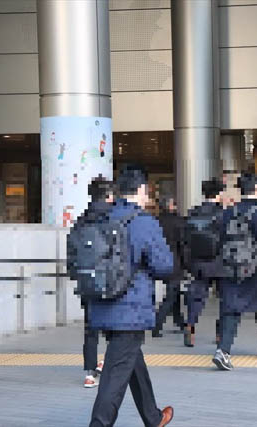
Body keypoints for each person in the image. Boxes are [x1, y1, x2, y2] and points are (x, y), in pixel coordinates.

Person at [87, 165, 174, 427]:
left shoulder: (103, 218)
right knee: (115, 376)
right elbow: (164, 266)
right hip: (131, 309)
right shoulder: (143, 222)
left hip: (102, 303)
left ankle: (153, 417)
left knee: (130, 359)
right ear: (141, 190)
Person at [212, 173, 257, 371]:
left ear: (240, 191)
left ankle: (223, 351)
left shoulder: (227, 213)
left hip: (232, 269)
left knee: (231, 310)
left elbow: (217, 242)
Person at [181, 178, 225, 347]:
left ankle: (190, 324)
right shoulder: (223, 214)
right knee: (224, 298)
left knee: (197, 295)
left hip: (198, 261)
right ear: (219, 194)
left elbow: (185, 239)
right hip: (219, 262)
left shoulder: (193, 212)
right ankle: (220, 333)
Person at [79, 176, 114, 388]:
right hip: (110, 280)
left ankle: (90, 372)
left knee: (90, 328)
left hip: (86, 280)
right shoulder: (113, 218)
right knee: (115, 326)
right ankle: (109, 363)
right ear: (109, 196)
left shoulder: (82, 219)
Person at [154, 194, 186, 338]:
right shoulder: (177, 221)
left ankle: (179, 320)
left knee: (174, 292)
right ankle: (157, 323)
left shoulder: (157, 221)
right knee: (172, 295)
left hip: (161, 260)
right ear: (170, 206)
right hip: (175, 261)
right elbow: (183, 244)